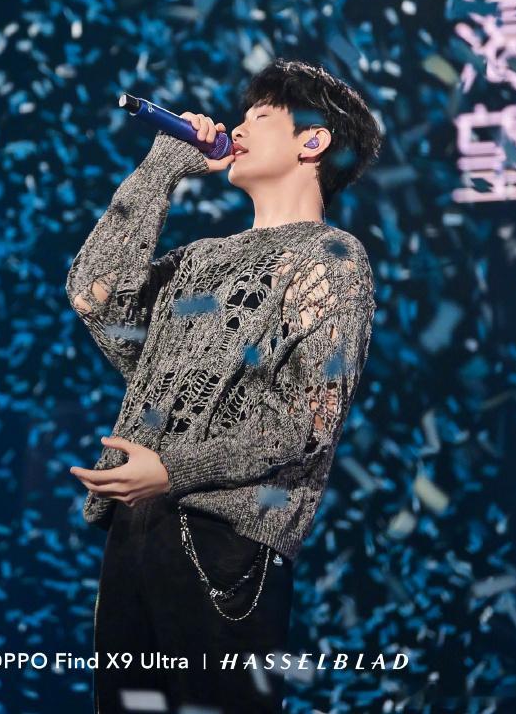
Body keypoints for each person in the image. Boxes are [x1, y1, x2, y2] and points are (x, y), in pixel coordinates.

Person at [66, 58, 382, 713]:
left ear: (313, 140)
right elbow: (96, 297)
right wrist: (161, 169)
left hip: (226, 546)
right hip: (136, 532)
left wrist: (172, 469)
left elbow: (306, 422)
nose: (236, 128)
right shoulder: (200, 260)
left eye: (259, 116)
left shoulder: (331, 258)